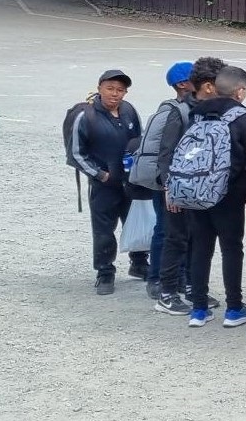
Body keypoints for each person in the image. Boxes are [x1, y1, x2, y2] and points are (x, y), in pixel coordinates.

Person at [185, 66, 246, 329]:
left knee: (200, 248)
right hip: (228, 194)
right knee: (231, 248)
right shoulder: (245, 118)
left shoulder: (197, 113)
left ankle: (198, 309)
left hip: (196, 190)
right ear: (239, 91)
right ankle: (234, 308)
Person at [153, 58, 225, 314]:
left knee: (198, 239)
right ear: (207, 86)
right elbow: (166, 154)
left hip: (203, 189)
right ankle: (167, 293)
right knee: (176, 239)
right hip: (179, 189)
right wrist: (169, 190)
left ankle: (193, 287)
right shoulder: (180, 112)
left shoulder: (213, 110)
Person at [70, 69, 143, 295]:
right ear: (99, 88)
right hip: (104, 185)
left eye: (120, 90)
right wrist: (101, 175)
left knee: (136, 222)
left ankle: (139, 263)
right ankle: (105, 272)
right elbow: (76, 154)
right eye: (110, 88)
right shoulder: (86, 116)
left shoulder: (129, 110)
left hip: (130, 181)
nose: (115, 93)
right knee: (103, 230)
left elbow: (139, 141)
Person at [142, 61, 194, 300]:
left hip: (182, 183)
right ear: (183, 84)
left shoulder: (191, 108)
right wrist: (168, 187)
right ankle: (155, 278)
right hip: (167, 184)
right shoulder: (174, 112)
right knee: (165, 230)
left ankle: (180, 278)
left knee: (184, 232)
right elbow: (166, 153)